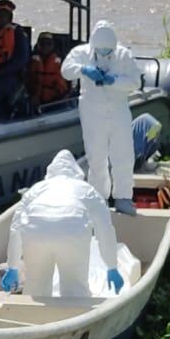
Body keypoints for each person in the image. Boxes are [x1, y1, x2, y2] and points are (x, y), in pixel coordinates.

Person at [0, 150, 124, 299]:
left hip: (35, 234)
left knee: (36, 286)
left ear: (51, 171)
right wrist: (112, 266)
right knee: (75, 288)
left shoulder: (35, 189)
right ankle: (77, 317)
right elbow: (105, 228)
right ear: (76, 172)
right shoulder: (87, 190)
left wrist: (12, 266)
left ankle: (35, 318)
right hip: (72, 234)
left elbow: (16, 228)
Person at [62, 20, 141, 214]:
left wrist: (113, 81)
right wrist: (84, 70)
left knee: (123, 154)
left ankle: (123, 197)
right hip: (92, 110)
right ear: (93, 46)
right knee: (96, 156)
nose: (105, 55)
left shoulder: (124, 55)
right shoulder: (81, 53)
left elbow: (135, 82)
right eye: (101, 51)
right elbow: (65, 70)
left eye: (108, 51)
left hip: (118, 109)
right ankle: (100, 199)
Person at [26, 32, 72, 112]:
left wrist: (66, 96)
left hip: (58, 100)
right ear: (38, 45)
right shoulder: (30, 60)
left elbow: (69, 81)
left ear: (53, 45)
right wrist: (32, 95)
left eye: (48, 44)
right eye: (42, 44)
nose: (45, 46)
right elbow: (26, 79)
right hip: (36, 100)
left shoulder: (62, 60)